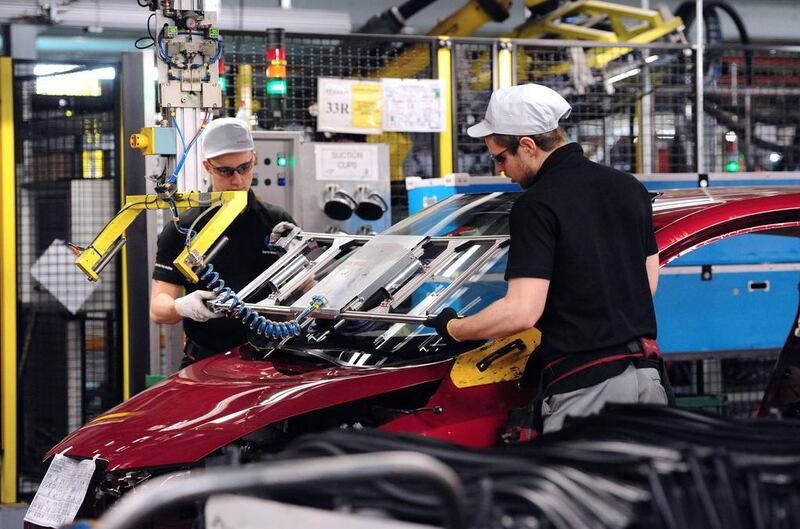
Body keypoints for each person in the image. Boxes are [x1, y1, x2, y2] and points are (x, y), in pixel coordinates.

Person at [429, 83, 670, 434]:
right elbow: (646, 283)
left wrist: (455, 328)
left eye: (500, 157)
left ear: (527, 145)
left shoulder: (536, 205)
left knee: (579, 489)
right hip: (646, 378)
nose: (500, 169)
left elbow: (521, 312)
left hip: (588, 392)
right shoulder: (628, 187)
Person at [150, 117, 296, 369]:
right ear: (208, 166)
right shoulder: (183, 228)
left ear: (255, 158)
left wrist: (302, 262)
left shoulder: (276, 221)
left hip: (270, 362)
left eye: (244, 167)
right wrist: (183, 306)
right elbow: (158, 309)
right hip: (206, 362)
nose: (237, 180)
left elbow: (307, 290)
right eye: (225, 171)